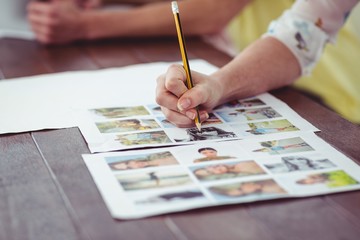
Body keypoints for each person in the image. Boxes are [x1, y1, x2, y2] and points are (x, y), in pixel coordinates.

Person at [155, 0, 360, 126]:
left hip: (337, 95)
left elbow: (214, 9)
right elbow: (297, 36)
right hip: (280, 79)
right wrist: (216, 85)